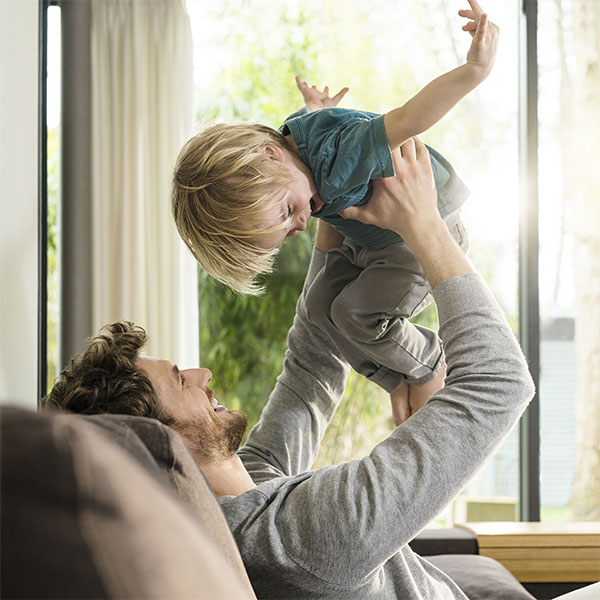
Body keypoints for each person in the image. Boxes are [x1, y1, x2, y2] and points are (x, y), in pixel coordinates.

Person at [45, 136, 535, 599]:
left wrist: (321, 192)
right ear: (158, 439)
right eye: (179, 380)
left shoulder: (247, 499)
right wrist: (424, 224)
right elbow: (498, 383)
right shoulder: (301, 542)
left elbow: (311, 361)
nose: (202, 375)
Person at [171, 0, 500, 425]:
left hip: (416, 241)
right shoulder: (292, 146)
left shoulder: (336, 161)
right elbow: (319, 124)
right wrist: (318, 108)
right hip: (373, 242)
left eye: (290, 211)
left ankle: (429, 362)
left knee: (353, 314)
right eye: (290, 231)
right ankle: (398, 376)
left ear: (271, 156)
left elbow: (409, 118)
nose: (303, 222)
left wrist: (474, 70)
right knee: (322, 307)